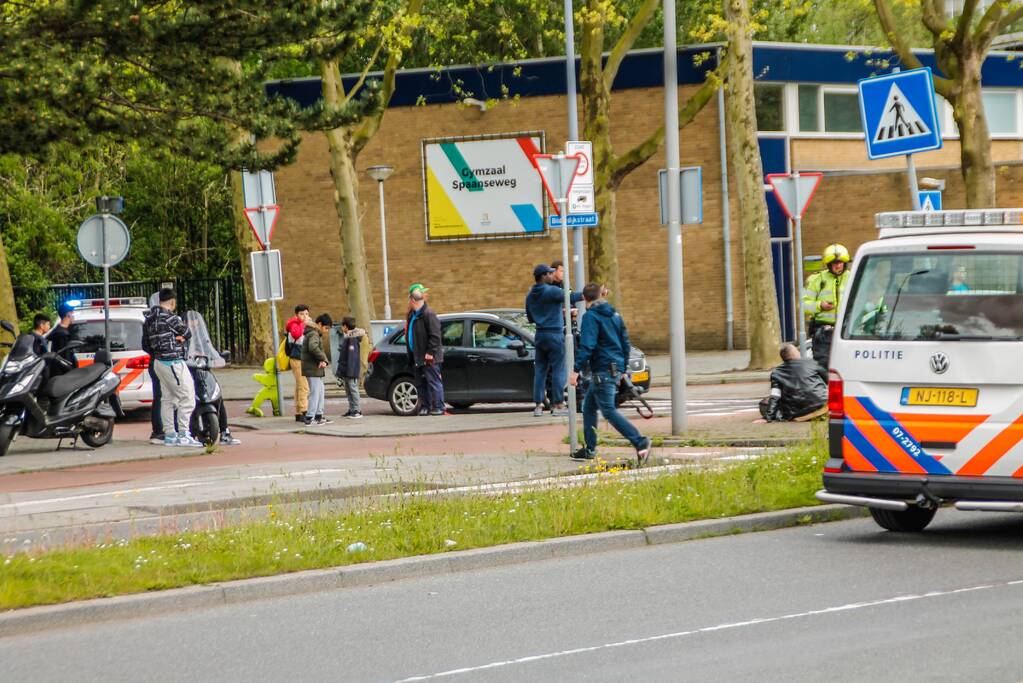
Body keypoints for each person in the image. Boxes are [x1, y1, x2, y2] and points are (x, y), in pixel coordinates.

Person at [570, 283, 651, 464]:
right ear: (600, 295)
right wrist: (622, 369)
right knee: (589, 407)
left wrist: (576, 370)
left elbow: (587, 346)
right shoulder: (615, 315)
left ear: (584, 298)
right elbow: (625, 342)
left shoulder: (591, 317)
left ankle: (640, 441)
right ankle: (590, 449)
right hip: (613, 369)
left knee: (608, 411)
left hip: (602, 370)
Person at [142, 288, 201, 447]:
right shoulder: (170, 318)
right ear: (172, 302)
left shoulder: (149, 319)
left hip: (157, 363)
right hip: (173, 361)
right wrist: (177, 341)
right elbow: (187, 332)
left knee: (167, 399)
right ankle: (183, 434)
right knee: (187, 397)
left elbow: (146, 345)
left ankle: (170, 434)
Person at [525, 264, 582, 417]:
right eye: (550, 273)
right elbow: (574, 297)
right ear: (544, 276)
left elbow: (530, 318)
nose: (552, 275)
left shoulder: (530, 295)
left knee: (540, 371)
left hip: (539, 335)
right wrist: (593, 293)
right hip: (554, 334)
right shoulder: (552, 291)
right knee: (558, 369)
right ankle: (557, 405)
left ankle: (538, 406)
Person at [802, 243, 851, 370]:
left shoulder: (851, 277)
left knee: (847, 366)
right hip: (823, 332)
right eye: (834, 263)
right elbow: (803, 305)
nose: (838, 265)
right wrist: (820, 306)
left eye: (840, 262)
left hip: (846, 330)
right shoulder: (817, 279)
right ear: (829, 265)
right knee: (823, 366)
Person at [758, 344, 828, 423]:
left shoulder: (776, 372)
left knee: (766, 403)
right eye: (797, 351)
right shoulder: (811, 363)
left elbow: (775, 396)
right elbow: (828, 379)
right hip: (822, 407)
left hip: (797, 414)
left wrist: (767, 418)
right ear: (795, 354)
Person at [406, 283, 445, 416]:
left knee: (433, 382)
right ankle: (425, 407)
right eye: (423, 292)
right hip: (417, 356)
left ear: (412, 300)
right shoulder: (413, 315)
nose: (426, 294)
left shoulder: (428, 314)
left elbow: (435, 335)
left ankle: (439, 406)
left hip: (429, 357)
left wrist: (430, 352)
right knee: (421, 383)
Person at [301, 313, 333, 426]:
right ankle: (310, 417)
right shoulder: (313, 333)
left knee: (320, 391)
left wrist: (323, 360)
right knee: (315, 392)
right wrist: (323, 359)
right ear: (319, 324)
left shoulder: (314, 333)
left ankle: (319, 415)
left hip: (315, 368)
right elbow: (313, 347)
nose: (327, 331)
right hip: (312, 368)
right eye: (326, 328)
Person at [285, 305, 311, 423]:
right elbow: (296, 334)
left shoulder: (302, 324)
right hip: (297, 358)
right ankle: (305, 411)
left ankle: (299, 412)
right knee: (304, 386)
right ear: (297, 315)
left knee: (299, 386)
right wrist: (304, 323)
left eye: (306, 314)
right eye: (302, 314)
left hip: (301, 358)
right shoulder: (293, 324)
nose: (304, 316)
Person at [338, 315, 366, 419]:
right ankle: (352, 409)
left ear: (345, 326)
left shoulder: (352, 339)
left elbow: (352, 357)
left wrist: (349, 371)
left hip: (351, 370)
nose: (342, 328)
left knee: (353, 389)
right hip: (347, 370)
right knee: (348, 390)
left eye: (342, 326)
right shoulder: (348, 338)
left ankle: (357, 410)